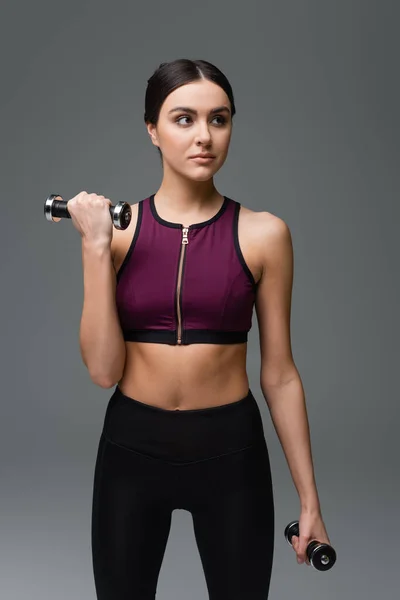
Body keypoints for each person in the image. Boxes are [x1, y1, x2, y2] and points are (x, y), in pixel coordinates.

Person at [68, 58, 331, 599]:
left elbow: (279, 374)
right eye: (183, 119)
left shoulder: (264, 234)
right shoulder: (116, 232)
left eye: (219, 119)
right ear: (152, 130)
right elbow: (102, 371)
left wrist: (310, 503)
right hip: (132, 449)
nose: (204, 137)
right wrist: (94, 248)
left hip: (230, 451)